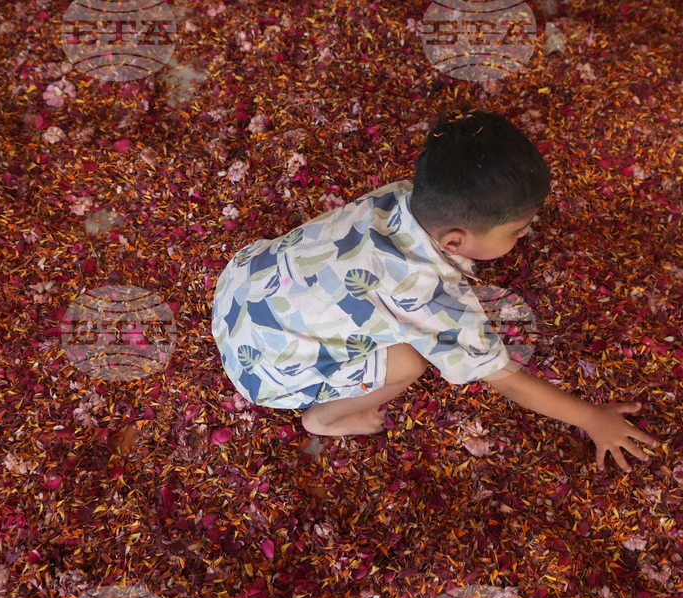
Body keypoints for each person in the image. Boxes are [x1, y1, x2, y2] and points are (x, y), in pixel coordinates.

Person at [211, 107, 657, 473]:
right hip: (264, 373)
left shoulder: (397, 195)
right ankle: (325, 419)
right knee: (410, 358)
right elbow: (506, 380)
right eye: (518, 231)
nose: (524, 236)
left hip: (239, 289)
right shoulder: (434, 299)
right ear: (456, 242)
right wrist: (592, 418)